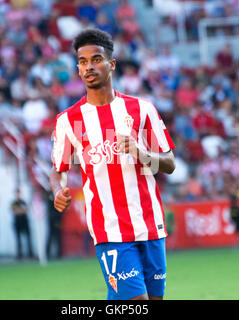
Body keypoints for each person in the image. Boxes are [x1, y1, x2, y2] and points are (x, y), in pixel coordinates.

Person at [50, 29, 176, 300]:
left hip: (150, 223)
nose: (89, 67)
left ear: (111, 64)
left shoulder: (142, 109)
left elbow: (169, 163)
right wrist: (57, 191)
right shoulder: (68, 121)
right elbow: (58, 170)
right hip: (109, 229)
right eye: (82, 62)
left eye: (96, 59)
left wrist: (144, 155)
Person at [11, 188, 33, 260]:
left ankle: (30, 254)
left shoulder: (23, 202)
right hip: (17, 222)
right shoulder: (14, 203)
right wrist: (21, 210)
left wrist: (20, 210)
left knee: (28, 238)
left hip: (24, 221)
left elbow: (26, 210)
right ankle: (19, 255)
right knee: (18, 239)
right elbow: (15, 212)